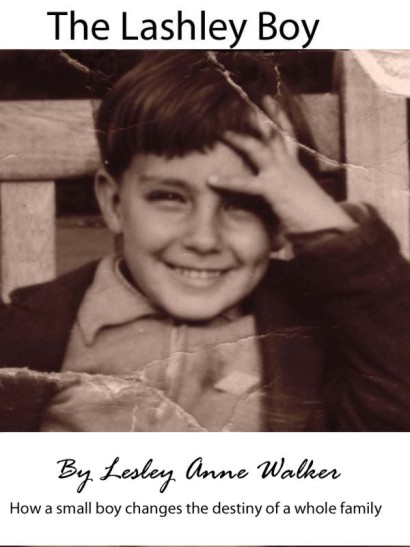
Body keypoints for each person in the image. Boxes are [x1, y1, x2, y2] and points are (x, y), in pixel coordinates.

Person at [1, 51, 410, 432]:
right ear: (114, 203)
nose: (203, 238)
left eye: (243, 205)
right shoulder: (29, 330)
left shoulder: (319, 337)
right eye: (169, 197)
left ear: (284, 221)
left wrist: (319, 217)